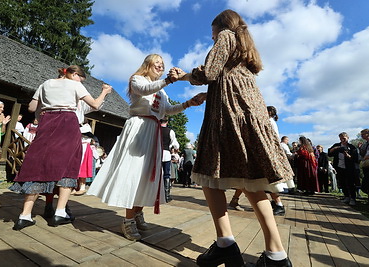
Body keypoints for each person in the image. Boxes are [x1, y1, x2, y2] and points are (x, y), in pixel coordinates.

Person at [173, 10, 293, 267]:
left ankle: (225, 243)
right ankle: (276, 255)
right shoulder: (244, 49)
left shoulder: (226, 35)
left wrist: (183, 75)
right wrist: (212, 92)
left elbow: (210, 72)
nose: (211, 35)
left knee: (209, 172)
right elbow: (223, 77)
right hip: (248, 108)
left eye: (211, 30)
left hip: (230, 112)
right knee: (252, 181)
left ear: (221, 26)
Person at [87, 54, 205, 241]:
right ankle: (127, 220)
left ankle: (137, 213)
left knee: (147, 175)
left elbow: (167, 110)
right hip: (138, 129)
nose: (160, 67)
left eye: (162, 65)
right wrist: (167, 80)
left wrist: (189, 103)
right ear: (148, 65)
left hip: (153, 131)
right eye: (157, 64)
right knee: (133, 172)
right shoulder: (137, 79)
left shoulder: (162, 90)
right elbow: (143, 90)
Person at [9, 65, 111, 230]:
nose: (80, 81)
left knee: (38, 165)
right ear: (74, 74)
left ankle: (25, 215)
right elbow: (96, 105)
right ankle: (60, 212)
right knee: (68, 165)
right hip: (67, 122)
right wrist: (105, 92)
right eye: (80, 78)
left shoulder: (46, 83)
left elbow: (32, 108)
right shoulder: (74, 84)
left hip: (47, 122)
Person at [328, 132, 359, 206]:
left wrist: (347, 155)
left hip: (349, 167)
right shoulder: (337, 145)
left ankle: (353, 198)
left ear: (348, 138)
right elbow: (329, 153)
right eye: (341, 138)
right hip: (339, 167)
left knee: (350, 183)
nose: (342, 140)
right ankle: (346, 196)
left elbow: (355, 159)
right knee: (342, 182)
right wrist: (335, 148)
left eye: (344, 138)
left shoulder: (352, 147)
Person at [160, 117, 179, 202]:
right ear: (167, 122)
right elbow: (175, 145)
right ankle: (166, 196)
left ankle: (155, 195)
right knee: (167, 175)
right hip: (166, 154)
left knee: (156, 174)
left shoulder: (155, 130)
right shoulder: (170, 131)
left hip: (156, 154)